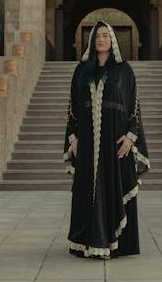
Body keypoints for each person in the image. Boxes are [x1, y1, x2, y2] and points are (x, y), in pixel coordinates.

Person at [64, 21, 150, 259]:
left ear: (112, 40)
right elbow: (72, 108)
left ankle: (115, 244)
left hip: (115, 142)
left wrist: (131, 138)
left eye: (105, 35)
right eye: (97, 36)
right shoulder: (81, 71)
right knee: (87, 190)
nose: (101, 39)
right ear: (91, 41)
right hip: (88, 142)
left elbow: (134, 107)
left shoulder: (124, 71)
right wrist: (73, 138)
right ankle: (87, 243)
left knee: (114, 187)